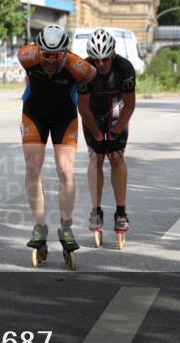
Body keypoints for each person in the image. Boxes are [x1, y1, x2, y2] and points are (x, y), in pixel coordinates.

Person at [17, 24, 97, 267]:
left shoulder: (81, 68)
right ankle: (39, 226)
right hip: (34, 114)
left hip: (65, 116)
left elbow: (90, 82)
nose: (51, 61)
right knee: (33, 167)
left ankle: (66, 227)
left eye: (57, 55)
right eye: (46, 55)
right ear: (39, 50)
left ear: (66, 52)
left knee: (65, 171)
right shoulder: (27, 56)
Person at [77, 28, 136, 248]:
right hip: (91, 112)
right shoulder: (83, 69)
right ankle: (96, 210)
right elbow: (82, 107)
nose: (101, 64)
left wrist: (116, 130)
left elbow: (129, 104)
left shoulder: (124, 68)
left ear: (112, 55)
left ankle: (121, 212)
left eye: (105, 59)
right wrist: (95, 132)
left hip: (116, 110)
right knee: (96, 157)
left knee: (116, 157)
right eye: (97, 59)